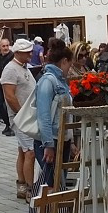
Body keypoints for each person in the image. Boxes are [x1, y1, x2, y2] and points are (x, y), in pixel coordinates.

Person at [1, 39, 38, 200]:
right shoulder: (10, 69)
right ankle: (30, 189)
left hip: (26, 115)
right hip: (21, 117)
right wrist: (22, 114)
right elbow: (9, 96)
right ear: (18, 53)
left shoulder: (23, 67)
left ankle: (22, 185)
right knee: (30, 152)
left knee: (23, 151)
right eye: (27, 51)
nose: (31, 53)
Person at [34, 44, 74, 190]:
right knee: (51, 184)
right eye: (69, 64)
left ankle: (56, 212)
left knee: (58, 183)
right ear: (64, 61)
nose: (70, 69)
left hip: (62, 139)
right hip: (51, 141)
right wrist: (48, 145)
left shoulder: (61, 81)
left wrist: (71, 139)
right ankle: (48, 212)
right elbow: (43, 116)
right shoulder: (47, 81)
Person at [0, 37, 14, 135]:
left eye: (7, 46)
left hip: (10, 85)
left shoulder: (12, 57)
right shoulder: (0, 57)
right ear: (0, 47)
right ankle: (7, 124)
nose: (6, 48)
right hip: (1, 85)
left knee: (10, 106)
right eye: (3, 46)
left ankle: (12, 126)